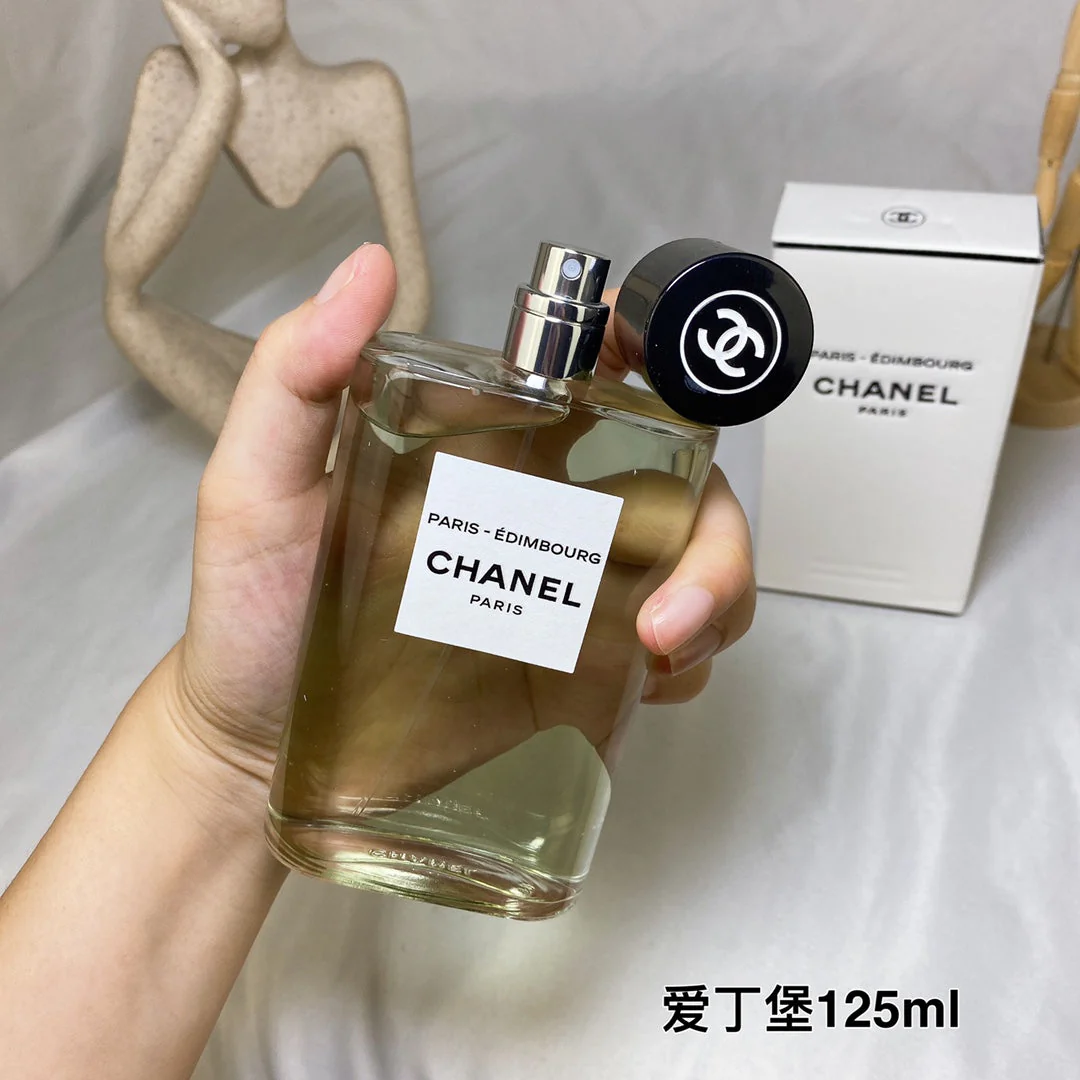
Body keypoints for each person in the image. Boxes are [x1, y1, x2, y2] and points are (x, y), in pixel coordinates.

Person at [0, 244, 756, 1079]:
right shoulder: (412, 381)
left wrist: (222, 759)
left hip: (485, 852)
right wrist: (225, 751)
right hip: (319, 805)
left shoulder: (657, 435)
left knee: (655, 517)